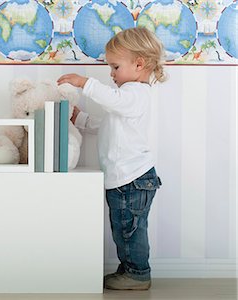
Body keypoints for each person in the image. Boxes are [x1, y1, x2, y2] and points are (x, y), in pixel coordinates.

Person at [57, 27, 166, 290]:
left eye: (115, 67)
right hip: (126, 179)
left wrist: (85, 83)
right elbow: (107, 125)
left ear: (139, 64)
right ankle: (129, 267)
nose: (111, 74)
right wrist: (80, 119)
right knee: (123, 229)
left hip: (132, 178)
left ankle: (138, 274)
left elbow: (113, 100)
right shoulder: (127, 98)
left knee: (129, 230)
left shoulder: (136, 94)